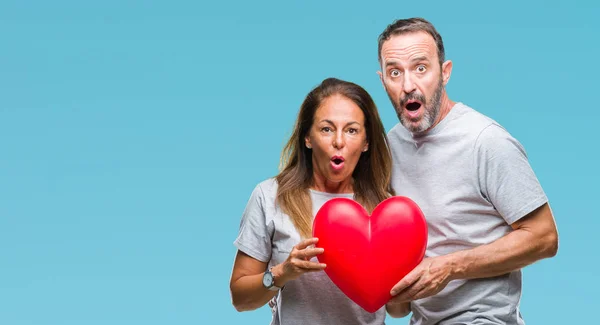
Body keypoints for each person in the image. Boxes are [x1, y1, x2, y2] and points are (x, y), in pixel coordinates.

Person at [376, 18, 559, 324]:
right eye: (396, 72)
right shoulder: (388, 149)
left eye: (421, 68)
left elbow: (544, 237)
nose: (408, 85)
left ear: (445, 72)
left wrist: (450, 267)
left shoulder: (485, 141)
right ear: (383, 81)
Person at [230, 77, 396, 324]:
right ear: (308, 137)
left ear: (366, 143)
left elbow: (399, 309)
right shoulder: (270, 196)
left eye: (351, 130)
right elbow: (240, 299)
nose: (338, 141)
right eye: (327, 129)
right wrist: (281, 273)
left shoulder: (386, 211)